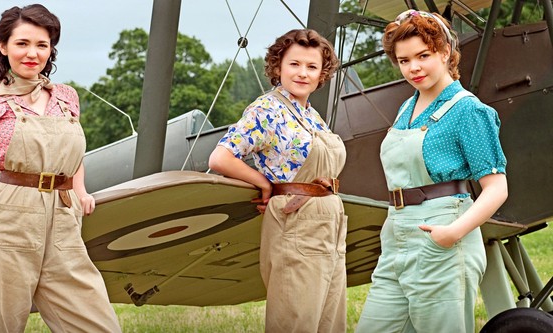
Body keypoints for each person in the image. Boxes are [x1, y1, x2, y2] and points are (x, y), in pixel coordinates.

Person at [0, 4, 121, 332]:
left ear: (51, 50)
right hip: (7, 222)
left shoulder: (66, 97)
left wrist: (80, 188)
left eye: (42, 45)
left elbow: (70, 152)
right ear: (3, 47)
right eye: (22, 43)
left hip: (62, 223)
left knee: (98, 325)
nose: (33, 53)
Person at [355, 10, 508, 333]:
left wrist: (451, 234)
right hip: (396, 236)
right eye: (404, 60)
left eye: (423, 56)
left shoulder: (469, 110)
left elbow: (496, 188)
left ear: (445, 52)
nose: (413, 68)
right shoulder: (406, 108)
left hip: (444, 236)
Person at [209, 29, 346, 332]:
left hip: (330, 222)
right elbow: (220, 158)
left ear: (321, 74)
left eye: (312, 67)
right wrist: (265, 184)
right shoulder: (266, 110)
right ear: (278, 67)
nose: (302, 73)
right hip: (296, 220)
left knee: (329, 319)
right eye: (294, 64)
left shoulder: (312, 114)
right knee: (295, 318)